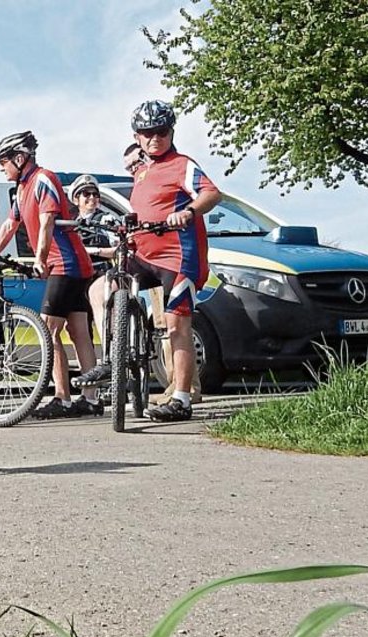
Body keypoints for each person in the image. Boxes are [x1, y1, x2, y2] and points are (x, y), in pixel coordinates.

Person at [0, 130, 101, 418]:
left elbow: (47, 222)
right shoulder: (21, 188)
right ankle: (91, 398)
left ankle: (62, 397)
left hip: (65, 263)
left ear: (20, 158)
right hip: (67, 264)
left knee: (47, 331)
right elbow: (9, 226)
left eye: (4, 162)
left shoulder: (42, 179)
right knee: (78, 331)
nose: (2, 168)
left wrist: (40, 260)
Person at [124, 101, 221, 422]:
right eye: (147, 133)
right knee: (104, 285)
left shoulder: (182, 164)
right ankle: (117, 350)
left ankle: (181, 399)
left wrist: (188, 211)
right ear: (137, 136)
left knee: (178, 325)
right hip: (143, 256)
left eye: (161, 132)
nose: (155, 138)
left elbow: (211, 194)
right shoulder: (141, 170)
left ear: (171, 132)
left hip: (178, 258)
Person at [70, 172, 121, 386]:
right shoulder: (70, 224)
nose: (91, 198)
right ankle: (90, 389)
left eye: (95, 194)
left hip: (102, 274)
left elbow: (119, 249)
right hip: (78, 278)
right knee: (77, 330)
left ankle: (111, 360)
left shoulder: (106, 220)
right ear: (76, 199)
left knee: (101, 303)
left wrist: (94, 250)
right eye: (85, 194)